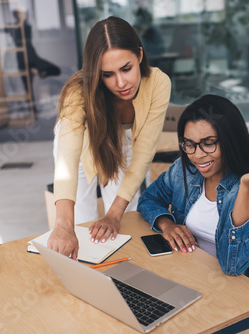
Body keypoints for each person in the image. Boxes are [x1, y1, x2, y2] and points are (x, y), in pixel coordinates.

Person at [137, 94, 249, 333]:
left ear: (230, 140)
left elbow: (233, 266)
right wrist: (167, 224)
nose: (197, 155)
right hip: (195, 275)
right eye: (189, 144)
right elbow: (149, 199)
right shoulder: (184, 171)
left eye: (209, 142)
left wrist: (247, 189)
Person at [48, 16, 171, 260]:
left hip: (125, 145)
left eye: (126, 68)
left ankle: (127, 274)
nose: (121, 83)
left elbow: (143, 155)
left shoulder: (158, 83)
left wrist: (114, 215)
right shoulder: (78, 93)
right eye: (108, 74)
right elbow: (67, 164)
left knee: (123, 220)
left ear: (139, 55)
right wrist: (63, 226)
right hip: (80, 146)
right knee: (82, 223)